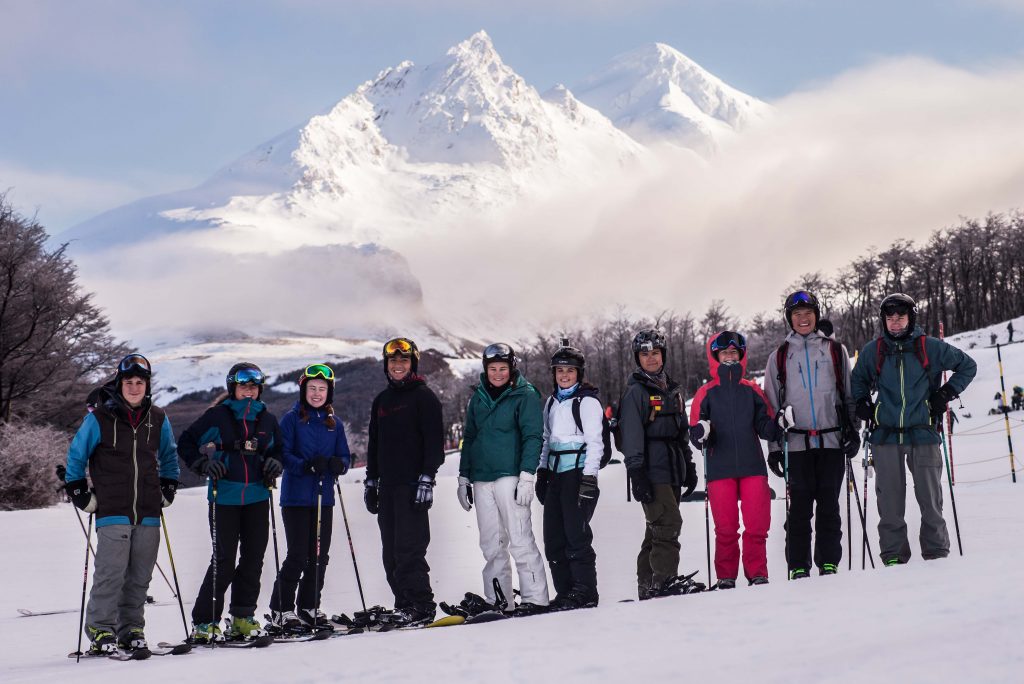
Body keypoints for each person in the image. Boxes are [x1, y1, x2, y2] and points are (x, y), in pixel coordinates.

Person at [63, 353, 180, 654]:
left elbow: (169, 456)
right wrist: (79, 492)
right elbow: (77, 456)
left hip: (148, 511)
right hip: (112, 508)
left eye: (140, 382)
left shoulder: (158, 418)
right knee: (111, 574)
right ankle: (101, 630)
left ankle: (132, 629)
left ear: (147, 385)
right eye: (128, 382)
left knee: (140, 577)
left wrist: (168, 486)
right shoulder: (99, 418)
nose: (134, 387)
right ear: (119, 383)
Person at [851, 293, 977, 565]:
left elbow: (967, 366)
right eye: (890, 318)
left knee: (931, 501)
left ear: (911, 318)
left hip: (924, 432)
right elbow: (857, 379)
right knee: (890, 504)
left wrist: (945, 394)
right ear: (884, 321)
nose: (895, 323)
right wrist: (863, 403)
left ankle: (936, 554)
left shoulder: (929, 346)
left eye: (900, 317)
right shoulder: (875, 350)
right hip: (885, 436)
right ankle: (894, 557)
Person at [178, 362, 284, 643]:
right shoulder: (218, 417)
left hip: (258, 496)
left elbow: (280, 450)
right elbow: (186, 442)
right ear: (232, 388)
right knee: (223, 560)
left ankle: (242, 617)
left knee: (253, 559)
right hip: (223, 496)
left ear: (259, 389)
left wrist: (276, 463)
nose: (248, 391)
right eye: (243, 386)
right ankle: (205, 621)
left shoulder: (267, 420)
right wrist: (202, 464)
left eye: (253, 386)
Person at [762, 291, 859, 579]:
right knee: (799, 510)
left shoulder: (834, 350)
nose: (803, 319)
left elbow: (848, 395)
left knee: (829, 505)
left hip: (831, 440)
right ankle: (798, 566)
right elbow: (772, 405)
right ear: (789, 319)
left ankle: (828, 562)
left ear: (816, 315)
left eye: (808, 313)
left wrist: (853, 431)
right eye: (796, 315)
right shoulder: (778, 356)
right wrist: (774, 447)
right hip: (796, 444)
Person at [690, 332, 791, 588]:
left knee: (757, 525)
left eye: (735, 353)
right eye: (725, 353)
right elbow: (696, 432)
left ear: (741, 355)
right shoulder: (706, 393)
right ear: (715, 356)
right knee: (726, 529)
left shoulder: (752, 391)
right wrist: (702, 432)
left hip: (751, 466)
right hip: (719, 468)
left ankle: (757, 573)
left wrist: (778, 423)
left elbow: (764, 427)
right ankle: (726, 576)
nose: (730, 357)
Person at [459, 343, 549, 614]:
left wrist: (527, 476)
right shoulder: (478, 398)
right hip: (482, 478)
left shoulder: (525, 394)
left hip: (511, 476)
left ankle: (535, 598)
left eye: (503, 368)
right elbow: (470, 437)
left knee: (520, 539)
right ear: (485, 370)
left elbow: (533, 436)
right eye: (492, 369)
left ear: (511, 368)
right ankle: (500, 600)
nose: (497, 374)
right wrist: (464, 477)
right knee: (491, 544)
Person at [365, 338, 445, 626]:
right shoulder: (382, 401)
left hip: (413, 487)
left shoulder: (424, 397)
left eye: (404, 361)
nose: (398, 366)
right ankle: (404, 603)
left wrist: (427, 478)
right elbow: (375, 444)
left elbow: (434, 443)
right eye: (393, 361)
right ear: (386, 366)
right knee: (390, 552)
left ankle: (421, 604)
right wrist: (371, 481)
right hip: (387, 486)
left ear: (412, 364)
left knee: (409, 549)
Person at [268, 363, 351, 632]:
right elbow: (283, 454)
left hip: (323, 498)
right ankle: (281, 608)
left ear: (329, 393)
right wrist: (306, 465)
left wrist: (340, 464)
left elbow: (345, 456)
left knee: (319, 556)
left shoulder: (334, 424)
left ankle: (309, 605)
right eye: (312, 389)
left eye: (322, 389)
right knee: (298, 555)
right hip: (296, 499)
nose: (317, 394)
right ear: (304, 391)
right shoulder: (292, 419)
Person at [618, 329, 698, 599]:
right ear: (637, 359)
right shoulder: (636, 393)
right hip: (652, 468)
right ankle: (664, 582)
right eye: (644, 354)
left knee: (655, 530)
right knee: (668, 524)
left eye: (655, 353)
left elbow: (681, 431)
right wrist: (637, 472)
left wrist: (688, 465)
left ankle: (648, 584)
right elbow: (631, 436)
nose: (650, 358)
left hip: (672, 466)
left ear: (663, 355)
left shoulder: (672, 389)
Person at [537, 341, 603, 611]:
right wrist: (542, 471)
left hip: (577, 473)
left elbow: (595, 443)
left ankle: (585, 590)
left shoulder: (586, 402)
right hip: (555, 474)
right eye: (559, 371)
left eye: (570, 371)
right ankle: (565, 590)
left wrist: (589, 478)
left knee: (576, 534)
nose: (564, 375)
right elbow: (545, 440)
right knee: (553, 536)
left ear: (579, 373)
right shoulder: (552, 402)